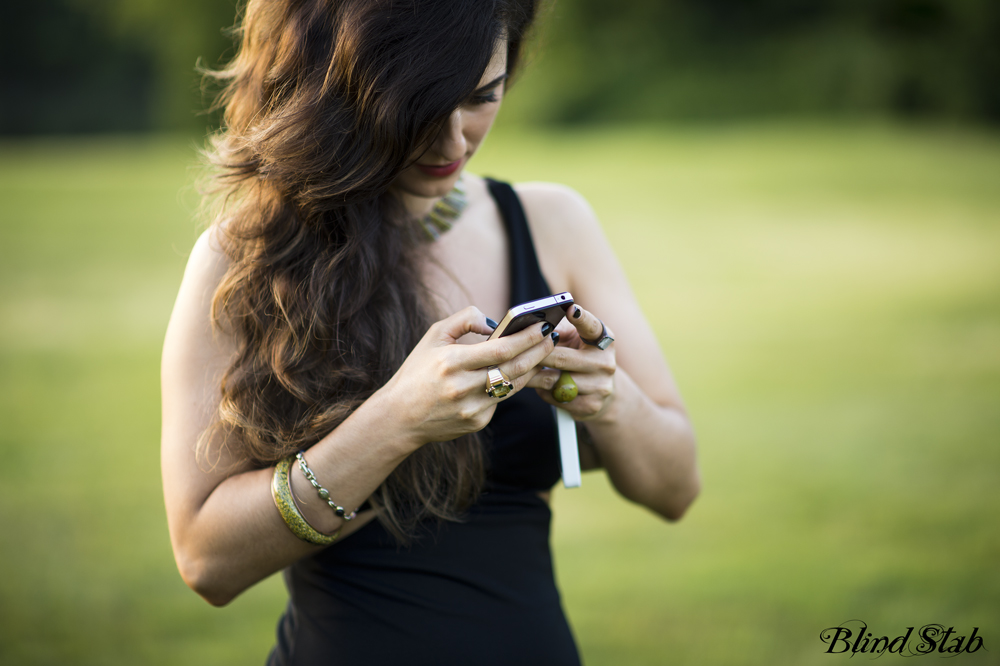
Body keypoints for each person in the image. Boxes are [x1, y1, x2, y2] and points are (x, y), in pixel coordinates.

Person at [160, 0, 701, 663]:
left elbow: (677, 489)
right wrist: (398, 418)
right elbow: (206, 560)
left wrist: (611, 400)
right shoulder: (245, 258)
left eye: (481, 97)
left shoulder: (552, 222)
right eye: (418, 105)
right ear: (336, 86)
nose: (453, 144)